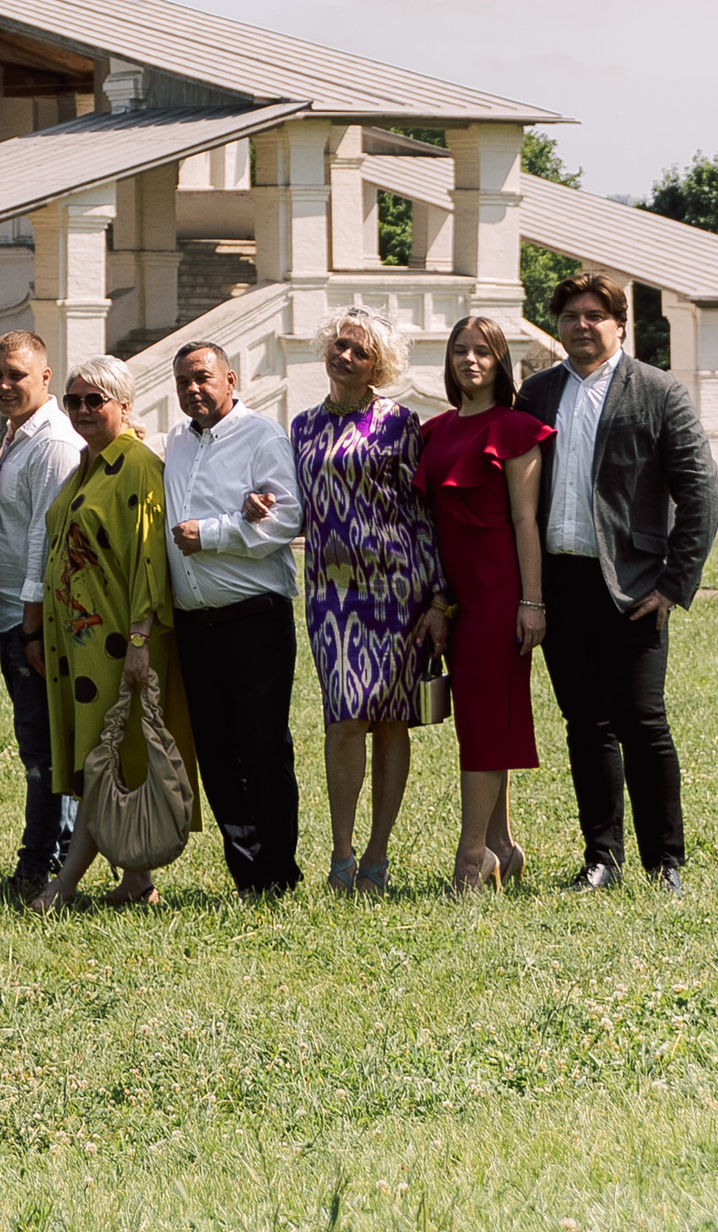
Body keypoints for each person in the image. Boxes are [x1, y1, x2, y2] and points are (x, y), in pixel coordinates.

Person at [519, 270, 718, 892]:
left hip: (633, 588)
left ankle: (666, 863)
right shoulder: (536, 394)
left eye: (594, 315)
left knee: (642, 721)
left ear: (619, 324)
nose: (582, 324)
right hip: (561, 584)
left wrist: (672, 584)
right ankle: (602, 857)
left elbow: (702, 496)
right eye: (571, 315)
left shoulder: (660, 393)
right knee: (585, 725)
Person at [29, 351, 190, 912]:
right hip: (81, 644)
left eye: (93, 400)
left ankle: (64, 884)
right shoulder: (87, 465)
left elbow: (150, 559)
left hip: (118, 640)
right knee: (106, 755)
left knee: (106, 757)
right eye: (73, 401)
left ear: (124, 403)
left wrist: (141, 639)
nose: (81, 410)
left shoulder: (138, 465)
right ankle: (136, 879)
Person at [291, 310, 444, 896]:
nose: (345, 355)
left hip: (395, 590)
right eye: (339, 344)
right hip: (330, 593)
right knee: (343, 718)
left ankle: (377, 856)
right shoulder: (302, 427)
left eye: (358, 350)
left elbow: (421, 513)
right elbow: (295, 505)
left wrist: (437, 595)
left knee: (390, 720)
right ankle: (340, 853)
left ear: (377, 363)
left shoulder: (401, 424)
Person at [163, 337, 304, 898]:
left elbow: (287, 516)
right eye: (183, 382)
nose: (193, 389)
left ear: (231, 379)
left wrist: (216, 532)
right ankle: (247, 874)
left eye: (203, 377)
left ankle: (279, 872)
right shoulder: (174, 442)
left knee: (263, 746)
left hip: (254, 620)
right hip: (195, 625)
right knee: (216, 751)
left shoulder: (262, 436)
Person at [417, 313, 552, 892]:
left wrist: (532, 601)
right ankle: (499, 845)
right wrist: (437, 597)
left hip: (500, 593)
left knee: (484, 718)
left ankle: (472, 858)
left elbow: (527, 520)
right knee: (476, 720)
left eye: (483, 352)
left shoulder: (517, 429)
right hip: (454, 595)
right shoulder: (434, 431)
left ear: (501, 362)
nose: (470, 361)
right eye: (461, 351)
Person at [0, 331, 83, 901]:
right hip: (14, 618)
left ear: (46, 377)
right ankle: (54, 856)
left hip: (35, 623)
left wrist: (33, 625)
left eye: (16, 374)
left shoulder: (53, 444)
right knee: (38, 745)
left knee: (45, 749)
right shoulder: (17, 436)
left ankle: (43, 866)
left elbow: (49, 541)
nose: (2, 385)